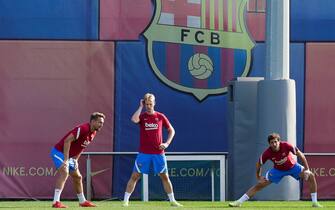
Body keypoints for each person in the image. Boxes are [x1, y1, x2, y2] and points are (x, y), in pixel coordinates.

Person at [229, 133, 322, 208]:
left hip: (293, 167)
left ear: (279, 141)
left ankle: (314, 203)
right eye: (271, 142)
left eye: (275, 142)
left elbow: (301, 155)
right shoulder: (267, 152)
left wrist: (307, 169)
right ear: (269, 144)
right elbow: (258, 164)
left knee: (311, 176)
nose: (274, 144)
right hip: (278, 171)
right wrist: (258, 177)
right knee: (259, 185)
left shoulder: (286, 145)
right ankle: (239, 202)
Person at [122, 93, 182, 207]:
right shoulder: (142, 116)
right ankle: (125, 201)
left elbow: (172, 130)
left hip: (158, 153)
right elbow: (134, 120)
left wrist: (167, 143)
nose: (149, 106)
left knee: (164, 176)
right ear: (144, 104)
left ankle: (173, 201)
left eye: (151, 104)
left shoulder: (160, 116)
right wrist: (140, 107)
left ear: (154, 103)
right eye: (147, 104)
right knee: (135, 176)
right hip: (144, 153)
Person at [50, 112, 105, 208]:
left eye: (102, 123)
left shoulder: (93, 132)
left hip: (70, 157)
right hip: (59, 152)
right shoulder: (83, 128)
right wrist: (66, 160)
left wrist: (75, 160)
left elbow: (82, 146)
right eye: (100, 122)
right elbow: (67, 141)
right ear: (93, 121)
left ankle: (82, 201)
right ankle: (56, 202)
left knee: (78, 177)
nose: (101, 125)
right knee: (64, 172)